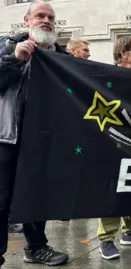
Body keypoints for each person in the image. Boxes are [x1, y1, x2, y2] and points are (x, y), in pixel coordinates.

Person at [0, 0, 69, 266]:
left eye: (51, 17)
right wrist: (14, 60)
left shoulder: (63, 58)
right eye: (40, 15)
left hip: (42, 141)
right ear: (27, 21)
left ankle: (37, 247)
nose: (46, 20)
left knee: (37, 197)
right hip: (7, 137)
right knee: (2, 200)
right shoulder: (7, 47)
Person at [97, 37, 131, 260]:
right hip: (114, 141)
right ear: (123, 55)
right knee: (114, 188)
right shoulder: (105, 76)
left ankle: (130, 231)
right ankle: (106, 239)